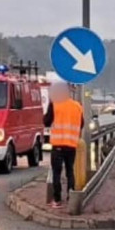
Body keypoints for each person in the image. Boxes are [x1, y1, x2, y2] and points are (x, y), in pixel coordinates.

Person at [43, 79, 84, 209]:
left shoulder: (55, 104)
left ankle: (57, 200)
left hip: (58, 145)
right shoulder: (77, 106)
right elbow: (81, 124)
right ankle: (71, 196)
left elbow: (46, 122)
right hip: (71, 144)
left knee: (57, 173)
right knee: (70, 171)